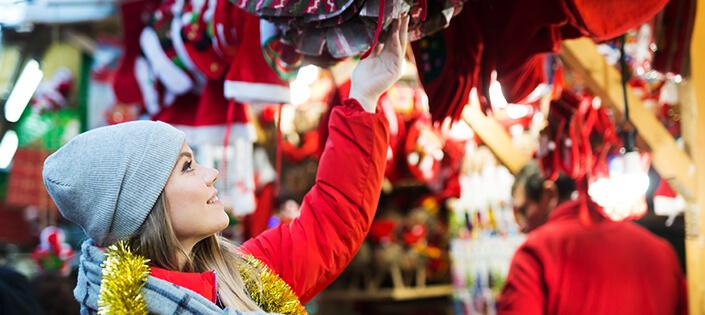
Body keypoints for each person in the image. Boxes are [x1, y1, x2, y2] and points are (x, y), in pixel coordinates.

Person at [43, 16, 410, 314]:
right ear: (144, 205)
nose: (212, 173)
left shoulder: (244, 277)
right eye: (187, 167)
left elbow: (332, 221)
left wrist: (364, 96)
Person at [498, 160, 687, 315]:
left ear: (550, 195)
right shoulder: (662, 251)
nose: (522, 226)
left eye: (524, 211)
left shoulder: (535, 253)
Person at [511, 160, 576, 233]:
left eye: (524, 212)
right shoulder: (588, 226)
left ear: (549, 197)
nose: (522, 227)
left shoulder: (539, 243)